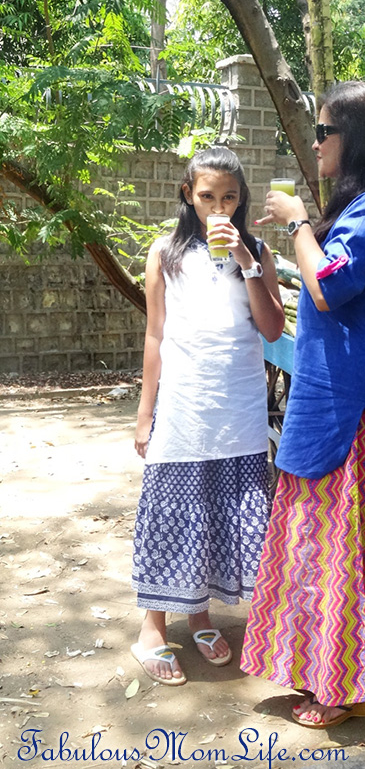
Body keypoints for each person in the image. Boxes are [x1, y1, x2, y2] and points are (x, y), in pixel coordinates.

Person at [241, 81, 365, 728]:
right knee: (325, 538)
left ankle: (344, 687)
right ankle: (339, 673)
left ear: (358, 138)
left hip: (352, 403)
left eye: (324, 132)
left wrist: (295, 224)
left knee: (342, 540)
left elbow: (330, 288)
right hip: (331, 390)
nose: (315, 143)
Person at [131, 146, 284, 685]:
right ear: (187, 195)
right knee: (173, 511)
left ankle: (201, 616)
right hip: (184, 406)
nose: (218, 207)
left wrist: (247, 263)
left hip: (237, 410)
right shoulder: (165, 253)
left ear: (241, 200)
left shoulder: (258, 251)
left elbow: (271, 330)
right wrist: (146, 412)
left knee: (219, 513)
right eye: (207, 196)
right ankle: (153, 627)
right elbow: (155, 334)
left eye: (229, 197)